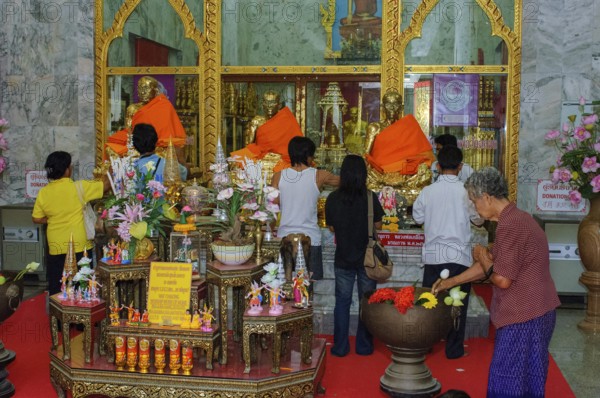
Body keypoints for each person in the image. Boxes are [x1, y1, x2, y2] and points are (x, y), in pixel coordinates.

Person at [432, 167, 560, 397]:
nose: (474, 206)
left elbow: (501, 279)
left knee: (508, 381)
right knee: (529, 377)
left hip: (524, 316)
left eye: (473, 201)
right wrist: (451, 282)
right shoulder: (516, 218)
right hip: (537, 310)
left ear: (487, 197)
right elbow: (489, 265)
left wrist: (481, 255)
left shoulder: (511, 225)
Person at [412, 145, 483, 359]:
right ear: (460, 167)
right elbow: (479, 219)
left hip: (434, 256)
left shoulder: (428, 191)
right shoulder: (466, 192)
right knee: (457, 304)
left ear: (438, 166)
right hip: (459, 257)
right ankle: (454, 349)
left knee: (430, 302)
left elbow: (417, 218)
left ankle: (426, 345)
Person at [325, 155, 384, 357]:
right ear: (363, 174)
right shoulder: (370, 197)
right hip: (367, 260)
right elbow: (378, 225)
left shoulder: (332, 198)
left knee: (342, 303)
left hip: (343, 258)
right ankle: (364, 346)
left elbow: (331, 227)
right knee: (366, 302)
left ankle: (340, 347)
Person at [32, 151, 110, 295]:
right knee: (82, 282)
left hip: (55, 244)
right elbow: (104, 187)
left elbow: (36, 218)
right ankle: (82, 311)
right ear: (67, 169)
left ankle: (59, 313)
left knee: (58, 282)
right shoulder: (79, 187)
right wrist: (110, 169)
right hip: (79, 244)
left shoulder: (43, 192)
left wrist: (52, 219)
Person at [272, 136, 340, 280]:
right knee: (307, 287)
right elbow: (346, 181)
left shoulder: (278, 176)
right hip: (310, 238)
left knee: (284, 284)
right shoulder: (319, 175)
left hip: (285, 236)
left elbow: (273, 205)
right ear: (308, 155)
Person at [106, 76, 187, 159]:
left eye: (146, 88)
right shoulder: (133, 108)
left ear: (156, 91)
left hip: (158, 146)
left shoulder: (164, 106)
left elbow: (168, 133)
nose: (143, 92)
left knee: (167, 154)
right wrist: (135, 144)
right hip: (138, 145)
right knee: (110, 149)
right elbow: (129, 131)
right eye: (140, 88)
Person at [364, 89, 435, 176]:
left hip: (405, 173)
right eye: (388, 104)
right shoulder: (375, 128)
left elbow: (422, 154)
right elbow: (366, 155)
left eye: (395, 104)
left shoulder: (408, 127)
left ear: (401, 108)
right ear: (382, 107)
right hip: (379, 173)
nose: (392, 108)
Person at [232, 91, 303, 173]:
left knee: (293, 166)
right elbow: (248, 145)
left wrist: (278, 155)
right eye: (266, 102)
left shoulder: (286, 120)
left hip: (281, 157)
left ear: (279, 105)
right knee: (236, 162)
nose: (269, 106)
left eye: (272, 102)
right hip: (261, 156)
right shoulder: (257, 121)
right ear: (262, 104)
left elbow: (296, 146)